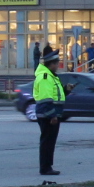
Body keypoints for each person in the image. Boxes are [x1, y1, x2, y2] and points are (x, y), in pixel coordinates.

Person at [32, 46, 66, 177]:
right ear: (51, 64)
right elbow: (46, 99)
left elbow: (55, 96)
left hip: (50, 114)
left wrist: (66, 90)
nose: (58, 66)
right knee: (47, 142)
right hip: (48, 115)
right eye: (57, 64)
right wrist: (52, 115)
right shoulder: (46, 77)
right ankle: (45, 168)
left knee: (49, 142)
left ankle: (47, 166)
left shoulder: (50, 76)